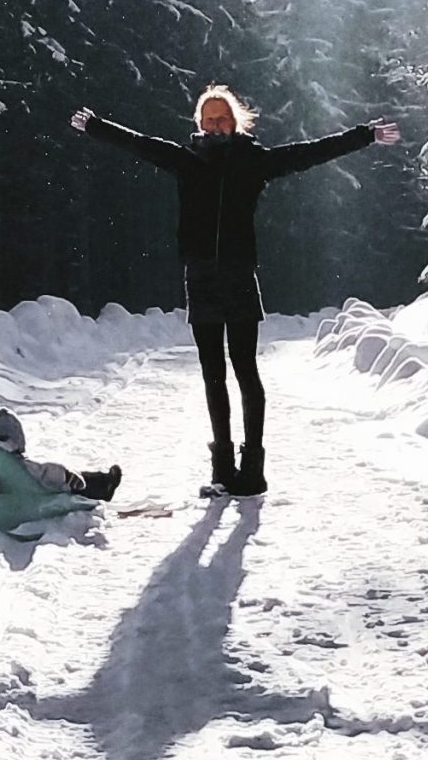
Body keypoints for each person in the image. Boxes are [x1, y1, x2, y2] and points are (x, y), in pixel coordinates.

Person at [73, 86, 399, 496]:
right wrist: (96, 127)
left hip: (239, 277)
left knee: (246, 372)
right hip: (201, 278)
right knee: (213, 375)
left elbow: (310, 152)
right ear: (199, 123)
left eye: (222, 118)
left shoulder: (253, 161)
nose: (215, 125)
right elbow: (140, 144)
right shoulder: (186, 160)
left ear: (235, 122)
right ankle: (222, 468)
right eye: (209, 119)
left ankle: (253, 468)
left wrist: (365, 135)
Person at [0, 407, 123, 502]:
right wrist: (67, 475)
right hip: (29, 497)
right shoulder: (13, 463)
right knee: (71, 483)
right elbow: (44, 472)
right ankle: (104, 485)